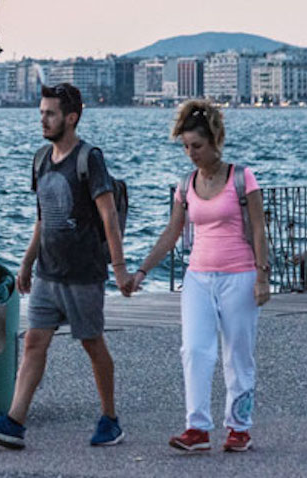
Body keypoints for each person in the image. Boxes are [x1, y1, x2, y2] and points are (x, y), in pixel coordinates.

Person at [0, 83, 132, 450]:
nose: (43, 119)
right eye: (41, 112)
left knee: (92, 344)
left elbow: (108, 216)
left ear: (71, 118)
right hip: (47, 272)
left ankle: (110, 419)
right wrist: (26, 262)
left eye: (51, 113)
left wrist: (119, 268)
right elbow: (42, 218)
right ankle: (14, 422)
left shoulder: (89, 159)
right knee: (34, 343)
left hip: (83, 274)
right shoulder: (41, 158)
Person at [126, 100, 270, 453]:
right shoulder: (185, 184)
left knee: (238, 353)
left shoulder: (241, 177)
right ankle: (197, 428)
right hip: (198, 278)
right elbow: (171, 233)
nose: (191, 153)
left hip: (239, 275)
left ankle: (239, 428)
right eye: (186, 147)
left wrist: (262, 276)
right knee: (194, 350)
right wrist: (141, 270)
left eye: (197, 146)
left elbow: (259, 228)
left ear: (215, 140)